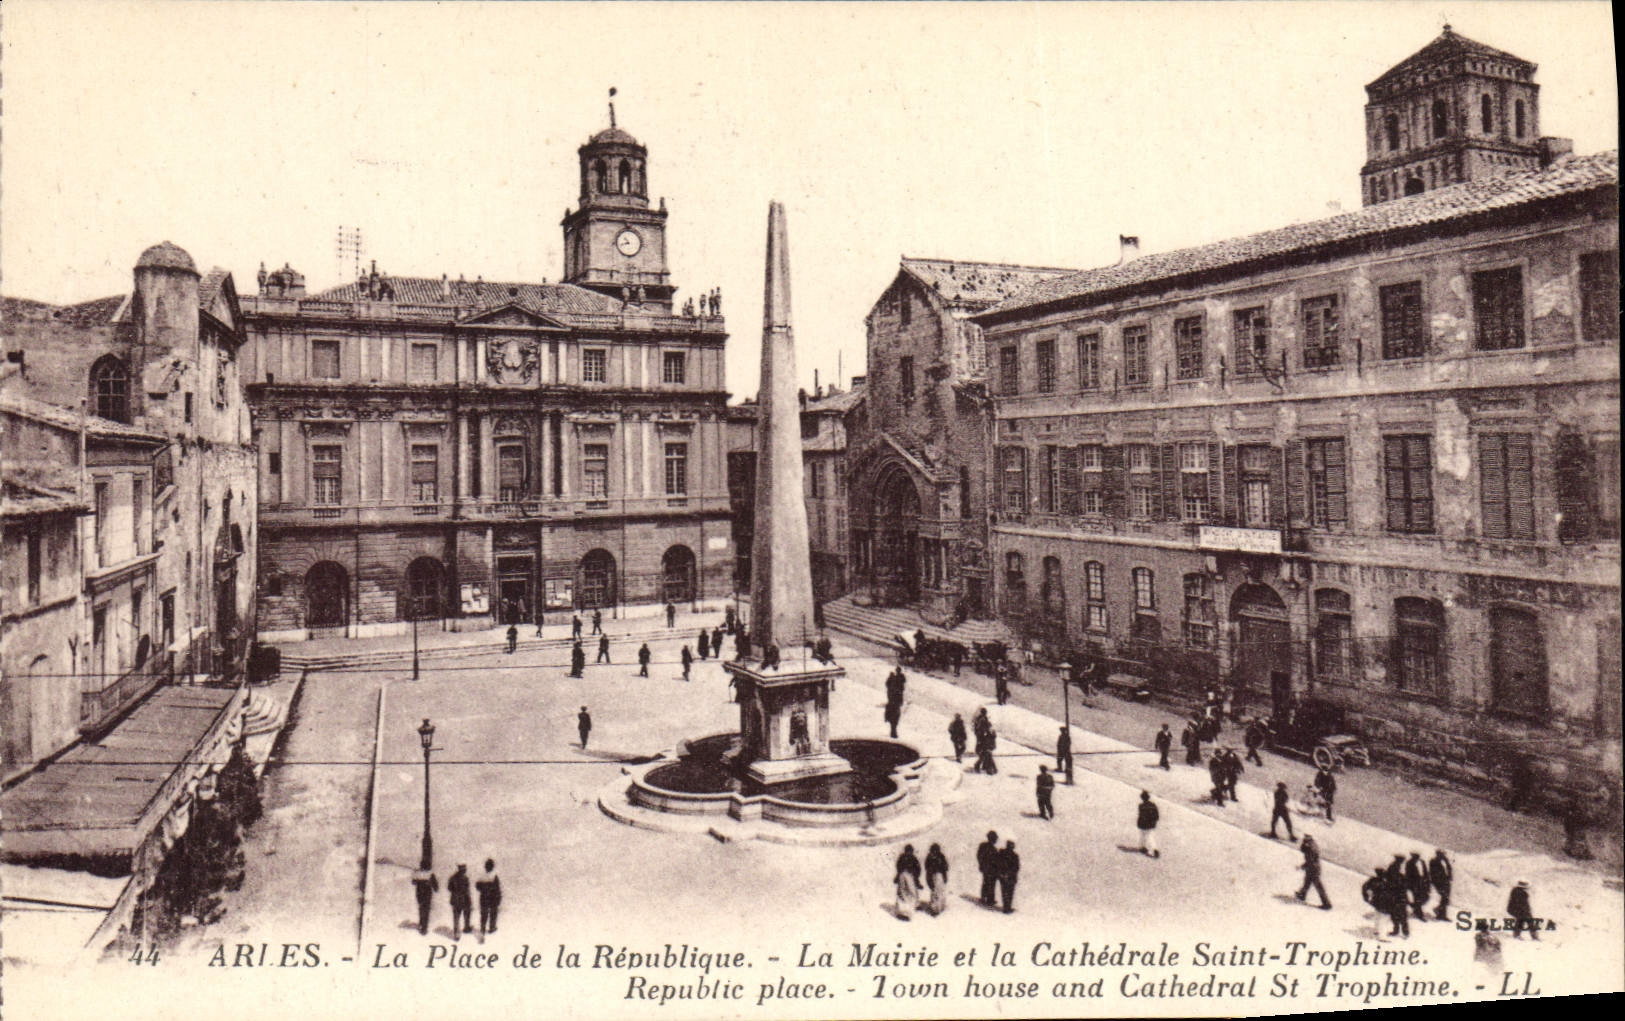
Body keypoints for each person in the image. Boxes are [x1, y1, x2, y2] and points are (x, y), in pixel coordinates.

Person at [1294, 835, 1332, 909]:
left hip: (1313, 869)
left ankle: (1327, 904)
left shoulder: (1310, 848)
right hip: (1313, 868)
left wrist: (1301, 867)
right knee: (1307, 881)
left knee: (1318, 886)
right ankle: (1302, 895)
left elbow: (1310, 861)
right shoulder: (1311, 844)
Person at [1382, 855, 1410, 937]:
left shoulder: (1393, 867)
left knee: (1396, 913)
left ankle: (1398, 930)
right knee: (1401, 914)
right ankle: (1404, 932)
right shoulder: (1394, 868)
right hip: (1398, 895)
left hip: (1395, 895)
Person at [894, 844, 921, 920]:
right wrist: (916, 878)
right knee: (910, 893)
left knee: (902, 893)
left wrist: (898, 875)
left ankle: (901, 912)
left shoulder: (902, 857)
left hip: (902, 875)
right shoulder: (913, 858)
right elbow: (917, 869)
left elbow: (898, 866)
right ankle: (907, 913)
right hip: (909, 876)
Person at [476, 859, 502, 937]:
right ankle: (492, 928)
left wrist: (484, 889)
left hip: (484, 897)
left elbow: (477, 886)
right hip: (492, 898)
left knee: (484, 914)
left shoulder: (482, 876)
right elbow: (497, 888)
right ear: (492, 867)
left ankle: (483, 929)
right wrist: (498, 898)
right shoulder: (494, 876)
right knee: (493, 913)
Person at [448, 864, 473, 939]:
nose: (465, 870)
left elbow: (449, 888)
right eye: (464, 869)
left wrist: (455, 892)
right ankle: (466, 928)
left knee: (456, 917)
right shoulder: (465, 878)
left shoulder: (452, 878)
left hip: (456, 899)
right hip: (464, 899)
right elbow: (467, 890)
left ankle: (457, 934)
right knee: (466, 914)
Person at [1404, 851, 1431, 921]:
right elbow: (1411, 875)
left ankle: (1416, 910)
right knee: (1417, 899)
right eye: (1416, 857)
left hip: (1415, 884)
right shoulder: (1410, 864)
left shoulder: (1412, 863)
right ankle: (1419, 913)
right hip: (1413, 884)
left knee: (1417, 899)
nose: (1417, 859)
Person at [412, 868, 439, 935]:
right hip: (427, 895)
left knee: (421, 908)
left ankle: (421, 923)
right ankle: (424, 928)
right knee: (426, 910)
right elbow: (436, 887)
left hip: (419, 894)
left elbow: (413, 882)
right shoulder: (430, 874)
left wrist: (419, 881)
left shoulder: (418, 873)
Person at [924, 843, 949, 916]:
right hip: (939, 875)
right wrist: (945, 877)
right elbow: (945, 867)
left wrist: (929, 879)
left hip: (934, 876)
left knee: (935, 891)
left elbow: (927, 868)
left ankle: (935, 908)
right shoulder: (941, 856)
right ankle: (940, 907)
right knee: (939, 891)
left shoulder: (930, 857)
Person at [976, 831, 1000, 907]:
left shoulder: (986, 846)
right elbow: (980, 856)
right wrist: (982, 864)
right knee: (989, 883)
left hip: (989, 869)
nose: (996, 840)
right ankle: (987, 899)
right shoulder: (987, 847)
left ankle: (987, 898)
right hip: (988, 869)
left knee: (988, 883)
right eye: (995, 838)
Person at [996, 840, 1020, 914]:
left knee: (1006, 892)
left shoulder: (1002, 853)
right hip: (1009, 876)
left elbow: (1016, 867)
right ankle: (1007, 908)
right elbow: (1016, 867)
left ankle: (1007, 907)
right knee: (1008, 892)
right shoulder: (1013, 855)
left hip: (1006, 876)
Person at [1429, 850, 1453, 921]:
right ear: (1438, 855)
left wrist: (1447, 862)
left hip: (1445, 882)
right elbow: (1434, 874)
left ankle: (1441, 913)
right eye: (1442, 855)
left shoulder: (1442, 862)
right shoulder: (1433, 861)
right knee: (1444, 897)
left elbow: (1449, 869)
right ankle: (1440, 913)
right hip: (1439, 883)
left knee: (1445, 898)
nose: (1443, 856)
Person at [1136, 790, 1160, 858]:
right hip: (1151, 824)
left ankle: (1142, 847)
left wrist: (1139, 823)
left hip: (1143, 824)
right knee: (1150, 836)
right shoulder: (1153, 805)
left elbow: (1140, 816)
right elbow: (1157, 816)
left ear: (1142, 798)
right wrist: (1154, 822)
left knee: (1142, 835)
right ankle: (1154, 849)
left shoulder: (1141, 806)